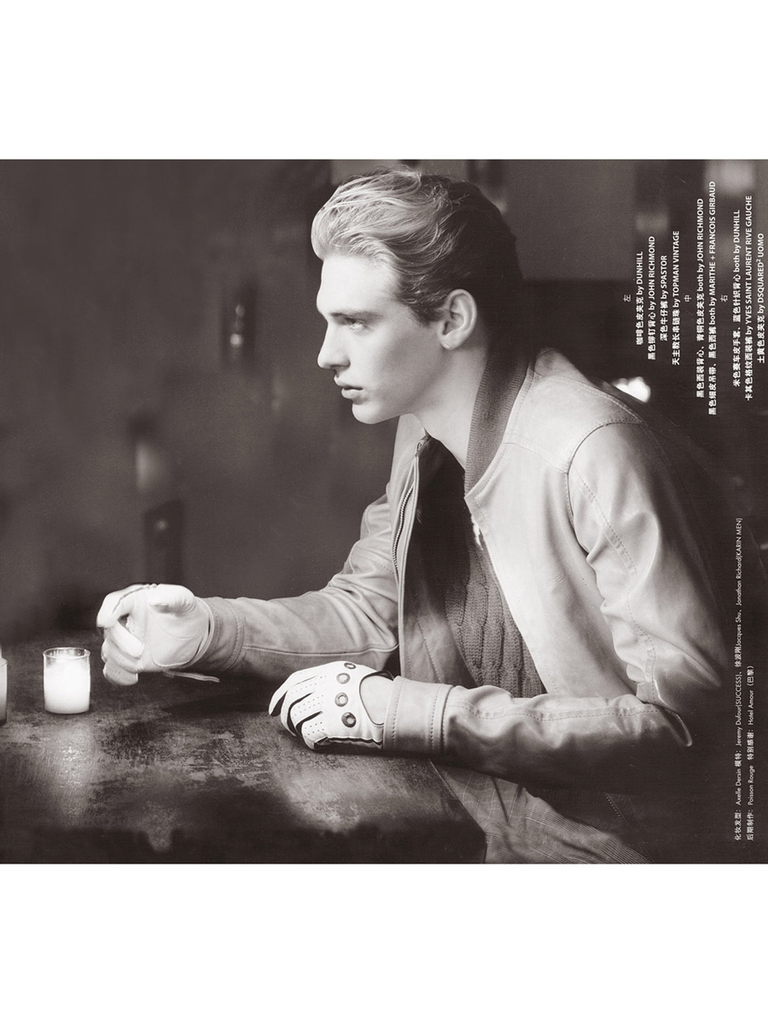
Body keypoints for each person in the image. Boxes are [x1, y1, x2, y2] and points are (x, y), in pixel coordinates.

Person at [98, 168, 764, 863]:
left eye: (356, 322)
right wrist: (208, 630)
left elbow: (684, 727)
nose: (326, 355)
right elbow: (368, 612)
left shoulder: (593, 450)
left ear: (452, 320)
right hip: (476, 822)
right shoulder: (422, 427)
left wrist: (412, 712)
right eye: (329, 320)